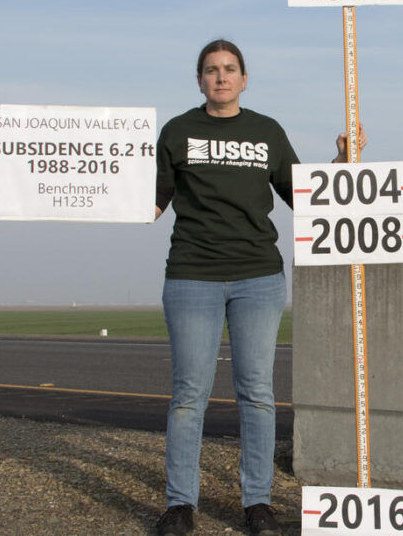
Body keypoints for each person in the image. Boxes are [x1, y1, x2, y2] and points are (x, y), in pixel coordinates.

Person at [153, 39, 365, 536]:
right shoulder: (177, 132)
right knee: (189, 395)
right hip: (191, 275)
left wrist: (341, 160)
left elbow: (307, 199)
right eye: (211, 70)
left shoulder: (266, 132)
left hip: (259, 277)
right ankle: (180, 505)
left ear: (244, 79)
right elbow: (153, 202)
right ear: (200, 79)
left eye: (230, 69)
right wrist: (98, 195)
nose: (221, 77)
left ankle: (258, 503)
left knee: (258, 393)